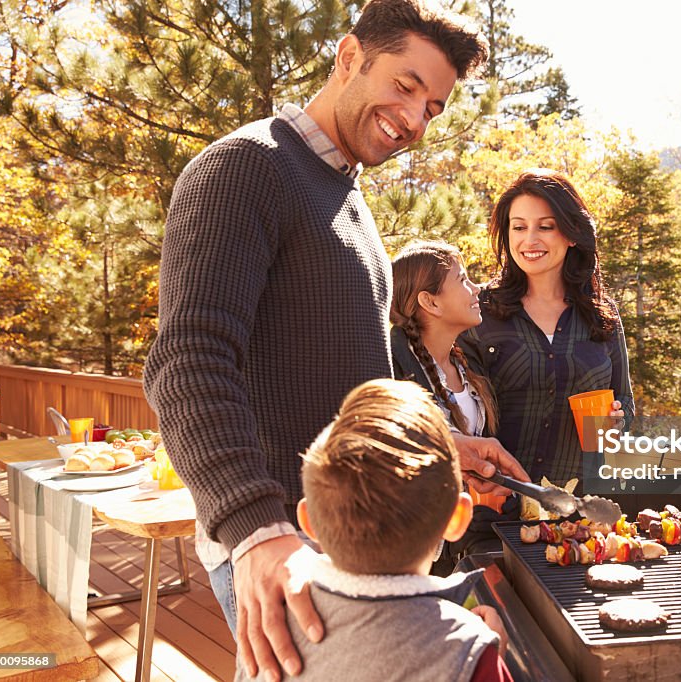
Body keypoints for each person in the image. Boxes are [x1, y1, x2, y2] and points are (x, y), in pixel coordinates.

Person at [142, 2, 527, 680]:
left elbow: (357, 379)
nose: (414, 119)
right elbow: (188, 363)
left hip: (351, 548)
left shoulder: (349, 201)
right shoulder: (246, 169)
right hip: (282, 544)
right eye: (405, 86)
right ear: (349, 57)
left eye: (432, 107)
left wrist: (438, 442)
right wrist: (256, 530)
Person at [234, 378, 513, 682]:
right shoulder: (464, 648)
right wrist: (488, 658)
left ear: (308, 521)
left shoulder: (267, 629)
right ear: (457, 518)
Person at [461, 169, 634, 489]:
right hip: (494, 512)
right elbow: (450, 411)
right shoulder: (477, 310)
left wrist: (616, 424)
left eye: (545, 227)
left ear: (571, 234)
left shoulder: (602, 315)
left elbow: (624, 401)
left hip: (579, 514)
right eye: (519, 227)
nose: (530, 240)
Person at [390, 241, 520, 562]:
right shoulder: (391, 366)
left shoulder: (469, 362)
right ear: (430, 302)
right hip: (414, 550)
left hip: (466, 539)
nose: (476, 289)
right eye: (463, 280)